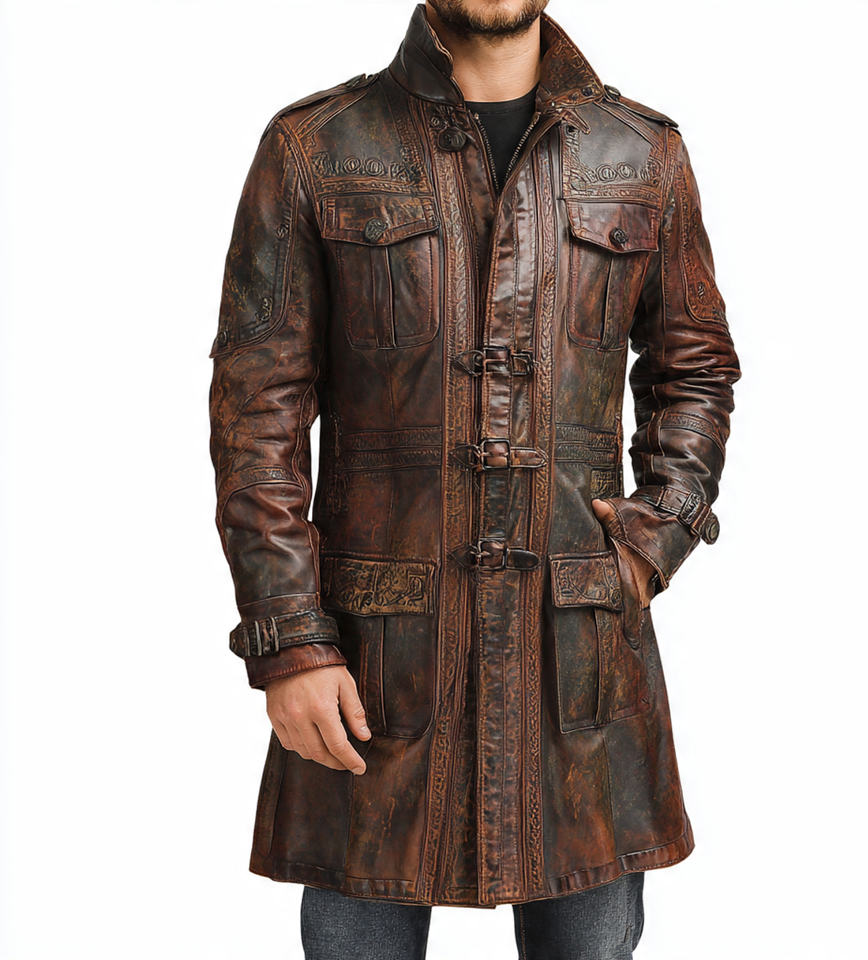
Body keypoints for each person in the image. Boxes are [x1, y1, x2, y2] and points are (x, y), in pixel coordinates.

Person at [207, 1, 740, 956]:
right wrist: (290, 641)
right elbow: (258, 414)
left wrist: (651, 541)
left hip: (578, 653)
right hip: (372, 662)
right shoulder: (316, 148)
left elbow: (693, 368)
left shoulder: (641, 153)